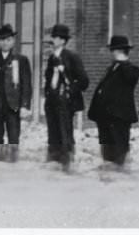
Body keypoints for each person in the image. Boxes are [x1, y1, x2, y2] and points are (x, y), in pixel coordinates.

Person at [87, 35, 139, 168]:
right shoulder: (112, 68)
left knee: (119, 150)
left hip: (119, 117)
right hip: (106, 117)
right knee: (107, 151)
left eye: (113, 50)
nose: (112, 53)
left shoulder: (129, 69)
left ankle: (120, 174)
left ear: (118, 51)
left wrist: (123, 61)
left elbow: (130, 78)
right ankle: (109, 171)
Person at [0, 24, 32, 163]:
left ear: (13, 41)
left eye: (8, 39)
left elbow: (26, 85)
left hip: (13, 106)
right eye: (2, 39)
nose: (5, 42)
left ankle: (13, 162)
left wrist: (24, 105)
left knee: (14, 136)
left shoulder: (21, 60)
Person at [43, 23, 89, 170]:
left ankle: (67, 161)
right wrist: (48, 94)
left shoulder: (72, 57)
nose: (53, 40)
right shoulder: (51, 58)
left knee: (65, 131)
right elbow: (49, 78)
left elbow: (84, 81)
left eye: (55, 37)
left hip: (65, 102)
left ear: (63, 40)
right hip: (52, 100)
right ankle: (53, 159)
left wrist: (69, 92)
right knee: (52, 130)